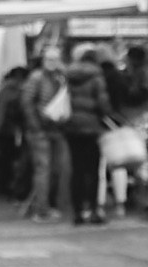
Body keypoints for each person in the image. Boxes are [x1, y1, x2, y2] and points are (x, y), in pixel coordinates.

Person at [61, 44, 116, 225]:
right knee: (93, 170)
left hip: (71, 127)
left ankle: (78, 212)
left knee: (76, 169)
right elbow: (104, 105)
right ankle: (93, 210)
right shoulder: (96, 77)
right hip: (92, 127)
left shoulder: (68, 76)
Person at [21, 46, 69, 221]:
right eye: (49, 59)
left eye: (55, 59)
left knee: (56, 169)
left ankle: (50, 204)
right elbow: (27, 103)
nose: (52, 63)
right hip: (40, 130)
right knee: (44, 169)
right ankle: (42, 209)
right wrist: (35, 126)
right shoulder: (36, 78)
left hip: (56, 128)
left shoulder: (59, 77)